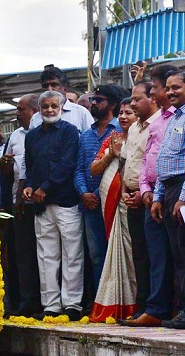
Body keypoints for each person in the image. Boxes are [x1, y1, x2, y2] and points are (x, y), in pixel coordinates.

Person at [121, 64, 179, 327]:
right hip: (159, 194)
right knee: (157, 256)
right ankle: (156, 308)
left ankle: (171, 308)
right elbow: (151, 160)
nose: (159, 92)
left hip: (178, 192)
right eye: (161, 87)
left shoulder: (174, 118)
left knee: (178, 254)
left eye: (159, 88)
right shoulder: (169, 119)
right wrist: (151, 193)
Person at [23, 90, 84, 321]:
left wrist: (44, 187)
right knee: (46, 256)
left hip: (65, 201)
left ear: (61, 107)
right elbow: (29, 167)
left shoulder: (70, 132)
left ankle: (72, 304)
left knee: (72, 254)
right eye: (45, 106)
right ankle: (50, 305)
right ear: (39, 109)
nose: (49, 110)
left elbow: (67, 165)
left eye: (53, 106)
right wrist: (30, 186)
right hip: (41, 205)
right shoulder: (32, 135)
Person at [75, 84, 128, 301]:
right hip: (88, 203)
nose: (93, 103)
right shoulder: (86, 135)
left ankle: (120, 301)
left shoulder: (120, 130)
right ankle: (100, 303)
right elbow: (79, 168)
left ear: (113, 104)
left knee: (117, 253)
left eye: (99, 100)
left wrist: (98, 193)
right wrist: (83, 193)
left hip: (112, 200)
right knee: (96, 256)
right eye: (93, 100)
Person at [88, 98, 138, 321]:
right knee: (114, 252)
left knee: (134, 254)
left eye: (129, 113)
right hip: (111, 206)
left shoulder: (139, 137)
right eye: (122, 113)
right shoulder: (112, 138)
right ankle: (117, 304)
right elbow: (93, 169)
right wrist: (112, 153)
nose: (124, 117)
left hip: (131, 203)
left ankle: (136, 303)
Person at [118, 80, 159, 317]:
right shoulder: (134, 128)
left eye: (136, 99)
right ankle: (143, 306)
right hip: (132, 197)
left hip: (150, 197)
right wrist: (125, 190)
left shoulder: (159, 124)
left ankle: (157, 307)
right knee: (139, 255)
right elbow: (128, 163)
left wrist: (142, 193)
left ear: (152, 98)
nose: (132, 103)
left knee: (155, 254)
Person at [0, 93, 41, 316]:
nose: (17, 114)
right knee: (21, 256)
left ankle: (44, 303)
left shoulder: (42, 132)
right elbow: (9, 171)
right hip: (18, 204)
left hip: (40, 202)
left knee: (43, 255)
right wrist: (4, 164)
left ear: (35, 110)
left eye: (21, 110)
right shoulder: (15, 135)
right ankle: (25, 303)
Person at [151, 70, 185, 329]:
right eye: (169, 87)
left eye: (177, 87)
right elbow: (165, 160)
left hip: (183, 190)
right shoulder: (176, 118)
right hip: (170, 190)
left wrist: (183, 199)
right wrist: (159, 197)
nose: (171, 92)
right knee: (178, 254)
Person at [29, 66, 94, 132]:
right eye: (46, 86)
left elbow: (90, 140)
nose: (49, 89)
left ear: (65, 88)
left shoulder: (81, 113)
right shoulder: (36, 118)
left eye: (54, 85)